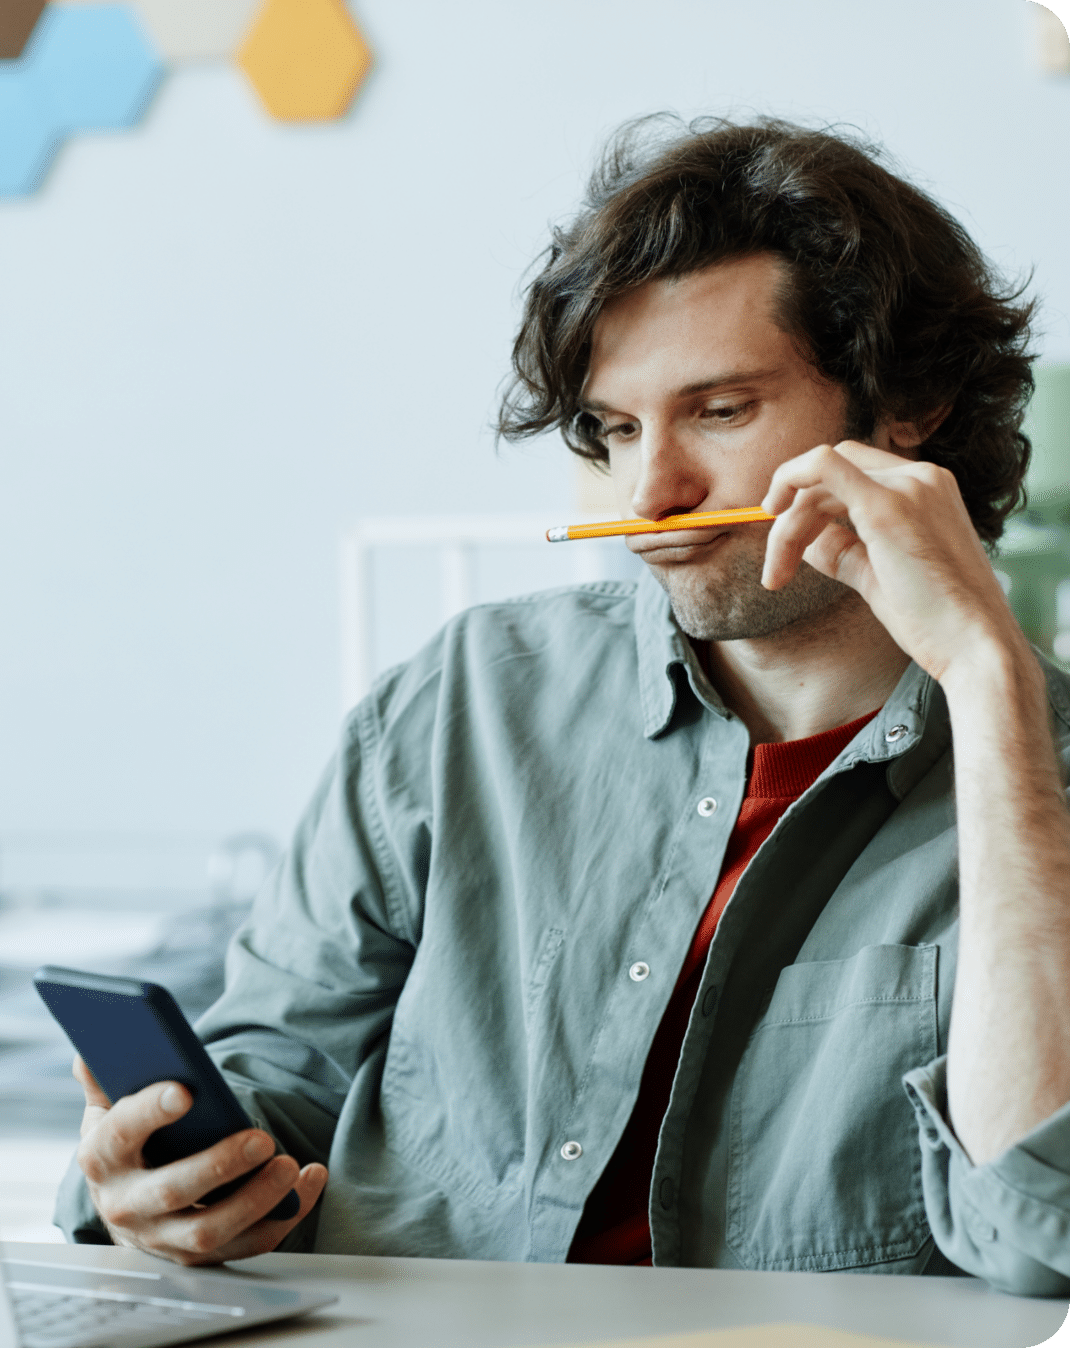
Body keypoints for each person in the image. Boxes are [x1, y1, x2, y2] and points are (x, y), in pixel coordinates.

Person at [54, 116, 1070, 1294]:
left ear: (911, 405)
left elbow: (1041, 1232)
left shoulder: (1039, 756)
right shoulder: (463, 699)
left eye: (722, 411)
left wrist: (990, 682)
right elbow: (282, 1070)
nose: (653, 493)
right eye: (619, 429)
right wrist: (159, 1181)